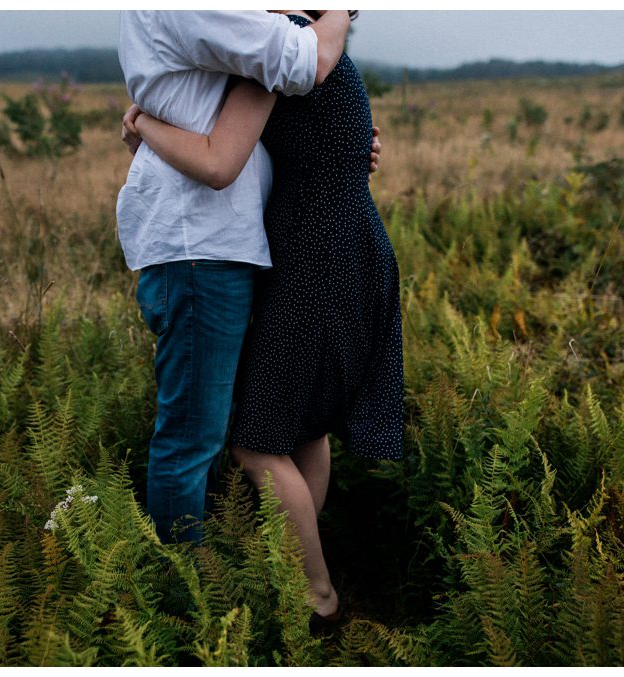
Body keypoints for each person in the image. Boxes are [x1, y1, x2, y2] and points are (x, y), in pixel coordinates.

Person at [122, 10, 405, 631]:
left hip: (313, 258)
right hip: (334, 251)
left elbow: (220, 160)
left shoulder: (275, 66)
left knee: (256, 444)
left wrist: (143, 123)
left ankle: (315, 595)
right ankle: (293, 569)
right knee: (304, 429)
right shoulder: (308, 63)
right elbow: (342, 141)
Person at [114, 10, 354, 546]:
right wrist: (337, 11)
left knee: (251, 425)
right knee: (192, 438)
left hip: (227, 245)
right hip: (201, 247)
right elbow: (303, 60)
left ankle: (262, 575)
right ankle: (187, 601)